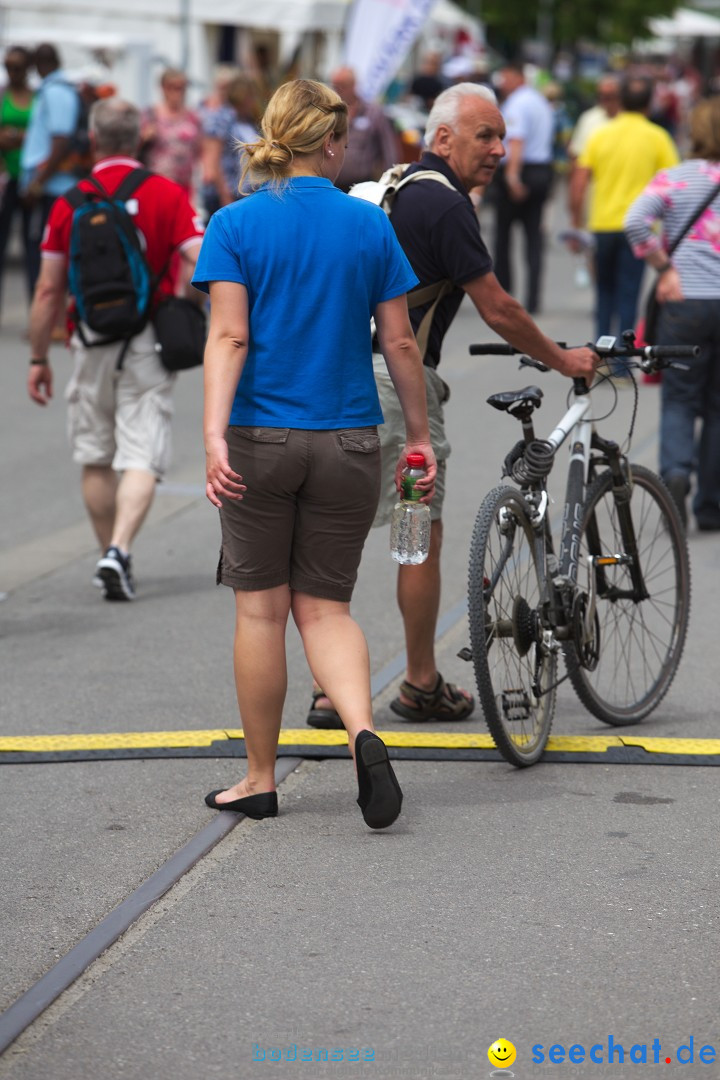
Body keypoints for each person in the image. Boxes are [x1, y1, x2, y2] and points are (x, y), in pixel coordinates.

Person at [307, 82, 599, 731]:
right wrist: (565, 359)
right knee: (418, 534)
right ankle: (419, 681)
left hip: (333, 379)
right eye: (484, 136)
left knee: (339, 532)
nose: (499, 149)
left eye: (501, 136)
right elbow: (499, 308)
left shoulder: (394, 186)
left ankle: (331, 688)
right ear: (443, 139)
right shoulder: (444, 206)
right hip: (393, 384)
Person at [192, 78, 436, 829]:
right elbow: (398, 340)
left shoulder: (234, 224)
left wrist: (211, 433)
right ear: (332, 143)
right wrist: (419, 436)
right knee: (326, 608)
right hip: (351, 439)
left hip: (260, 440)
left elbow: (230, 336)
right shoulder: (367, 227)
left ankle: (260, 778)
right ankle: (364, 730)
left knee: (262, 613)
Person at [27, 98, 205, 600]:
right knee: (141, 453)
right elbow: (199, 259)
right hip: (146, 339)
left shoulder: (70, 202)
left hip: (88, 338)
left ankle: (110, 552)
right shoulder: (166, 194)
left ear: (93, 137)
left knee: (96, 455)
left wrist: (40, 357)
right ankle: (119, 552)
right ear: (139, 138)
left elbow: (47, 288)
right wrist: (180, 301)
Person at [624, 96, 720, 532]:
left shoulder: (675, 179)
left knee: (680, 396)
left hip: (684, 301)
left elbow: (635, 221)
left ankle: (676, 475)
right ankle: (711, 504)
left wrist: (663, 268)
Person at [568, 75, 679, 369]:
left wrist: (576, 222)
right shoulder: (657, 137)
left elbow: (579, 181)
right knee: (629, 294)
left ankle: (599, 356)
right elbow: (672, 186)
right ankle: (622, 363)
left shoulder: (601, 135)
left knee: (604, 293)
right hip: (639, 229)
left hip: (602, 224)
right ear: (649, 103)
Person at [491, 62, 555, 314]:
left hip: (521, 170)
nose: (501, 83)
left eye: (504, 76)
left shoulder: (517, 103)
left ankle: (503, 297)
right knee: (533, 238)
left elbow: (516, 140)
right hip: (541, 170)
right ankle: (533, 298)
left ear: (515, 76)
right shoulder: (539, 101)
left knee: (504, 238)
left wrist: (512, 177)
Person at [19, 43, 81, 297]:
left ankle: (47, 314)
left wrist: (37, 183)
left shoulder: (56, 92)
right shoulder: (54, 89)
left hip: (52, 187)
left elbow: (60, 140)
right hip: (50, 185)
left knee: (46, 253)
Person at [0, 46, 34, 318]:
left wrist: (21, 138)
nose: (13, 73)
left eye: (18, 67)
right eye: (8, 67)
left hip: (32, 181)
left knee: (32, 246)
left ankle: (35, 310)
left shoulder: (37, 97)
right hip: (6, 179)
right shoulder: (2, 96)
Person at [330, 66, 399, 191]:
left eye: (342, 85)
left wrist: (389, 184)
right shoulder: (329, 113)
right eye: (335, 86)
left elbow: (389, 150)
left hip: (363, 186)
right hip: (332, 186)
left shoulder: (373, 112)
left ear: (354, 85)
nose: (338, 90)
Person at [200, 74, 260, 213]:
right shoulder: (222, 117)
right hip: (226, 194)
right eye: (251, 96)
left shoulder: (249, 120)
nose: (253, 101)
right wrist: (225, 197)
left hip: (245, 192)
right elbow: (213, 160)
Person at [139, 68, 202, 196]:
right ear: (163, 88)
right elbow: (135, 146)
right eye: (171, 87)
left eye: (181, 88)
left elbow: (200, 150)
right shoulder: (151, 114)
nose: (177, 92)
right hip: (157, 183)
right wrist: (145, 137)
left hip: (183, 185)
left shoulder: (193, 117)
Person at [567, 75, 621, 166]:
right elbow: (576, 154)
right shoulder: (588, 118)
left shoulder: (628, 118)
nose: (605, 100)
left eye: (609, 96)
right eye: (601, 95)